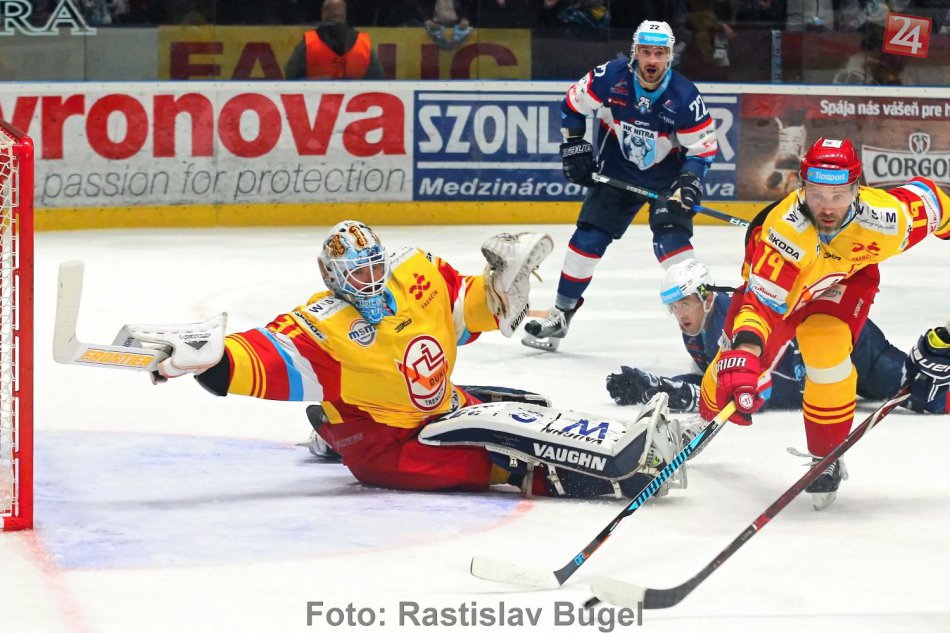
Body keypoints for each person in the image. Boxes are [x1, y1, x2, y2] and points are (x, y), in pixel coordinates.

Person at [121, 221, 685, 499]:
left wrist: (496, 292)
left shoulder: (415, 271)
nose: (369, 279)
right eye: (355, 273)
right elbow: (247, 362)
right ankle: (614, 476)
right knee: (504, 455)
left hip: (440, 404)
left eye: (374, 265)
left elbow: (466, 310)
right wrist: (202, 359)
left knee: (528, 406)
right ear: (331, 277)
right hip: (387, 446)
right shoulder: (321, 329)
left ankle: (326, 425)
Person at [699, 137, 950, 509]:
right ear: (801, 188)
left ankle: (825, 455)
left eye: (838, 195)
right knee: (735, 370)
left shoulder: (889, 219)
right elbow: (761, 307)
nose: (827, 207)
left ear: (857, 189)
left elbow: (939, 203)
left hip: (844, 281)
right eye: (816, 195)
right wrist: (745, 353)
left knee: (827, 347)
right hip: (786, 287)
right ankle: (700, 420)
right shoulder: (785, 235)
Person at [522, 19, 718, 352]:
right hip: (617, 172)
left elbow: (702, 149)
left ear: (669, 56)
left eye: (659, 53)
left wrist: (689, 182)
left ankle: (709, 329)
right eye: (646, 52)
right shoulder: (611, 77)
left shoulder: (684, 97)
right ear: (634, 52)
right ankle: (562, 313)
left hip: (666, 182)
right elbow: (573, 104)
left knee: (673, 247)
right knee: (587, 240)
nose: (652, 60)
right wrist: (575, 146)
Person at [606, 258, 950, 416]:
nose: (679, 313)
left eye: (685, 303)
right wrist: (660, 386)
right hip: (819, 364)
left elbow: (763, 391)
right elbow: (718, 376)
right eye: (673, 306)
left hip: (847, 342)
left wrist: (671, 392)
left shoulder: (730, 322)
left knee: (924, 392)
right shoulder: (696, 329)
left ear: (706, 297)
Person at [284, 0, 384, 80]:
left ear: (324, 14)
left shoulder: (309, 43)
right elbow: (378, 77)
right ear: (344, 15)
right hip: (357, 98)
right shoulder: (363, 43)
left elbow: (291, 74)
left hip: (315, 98)